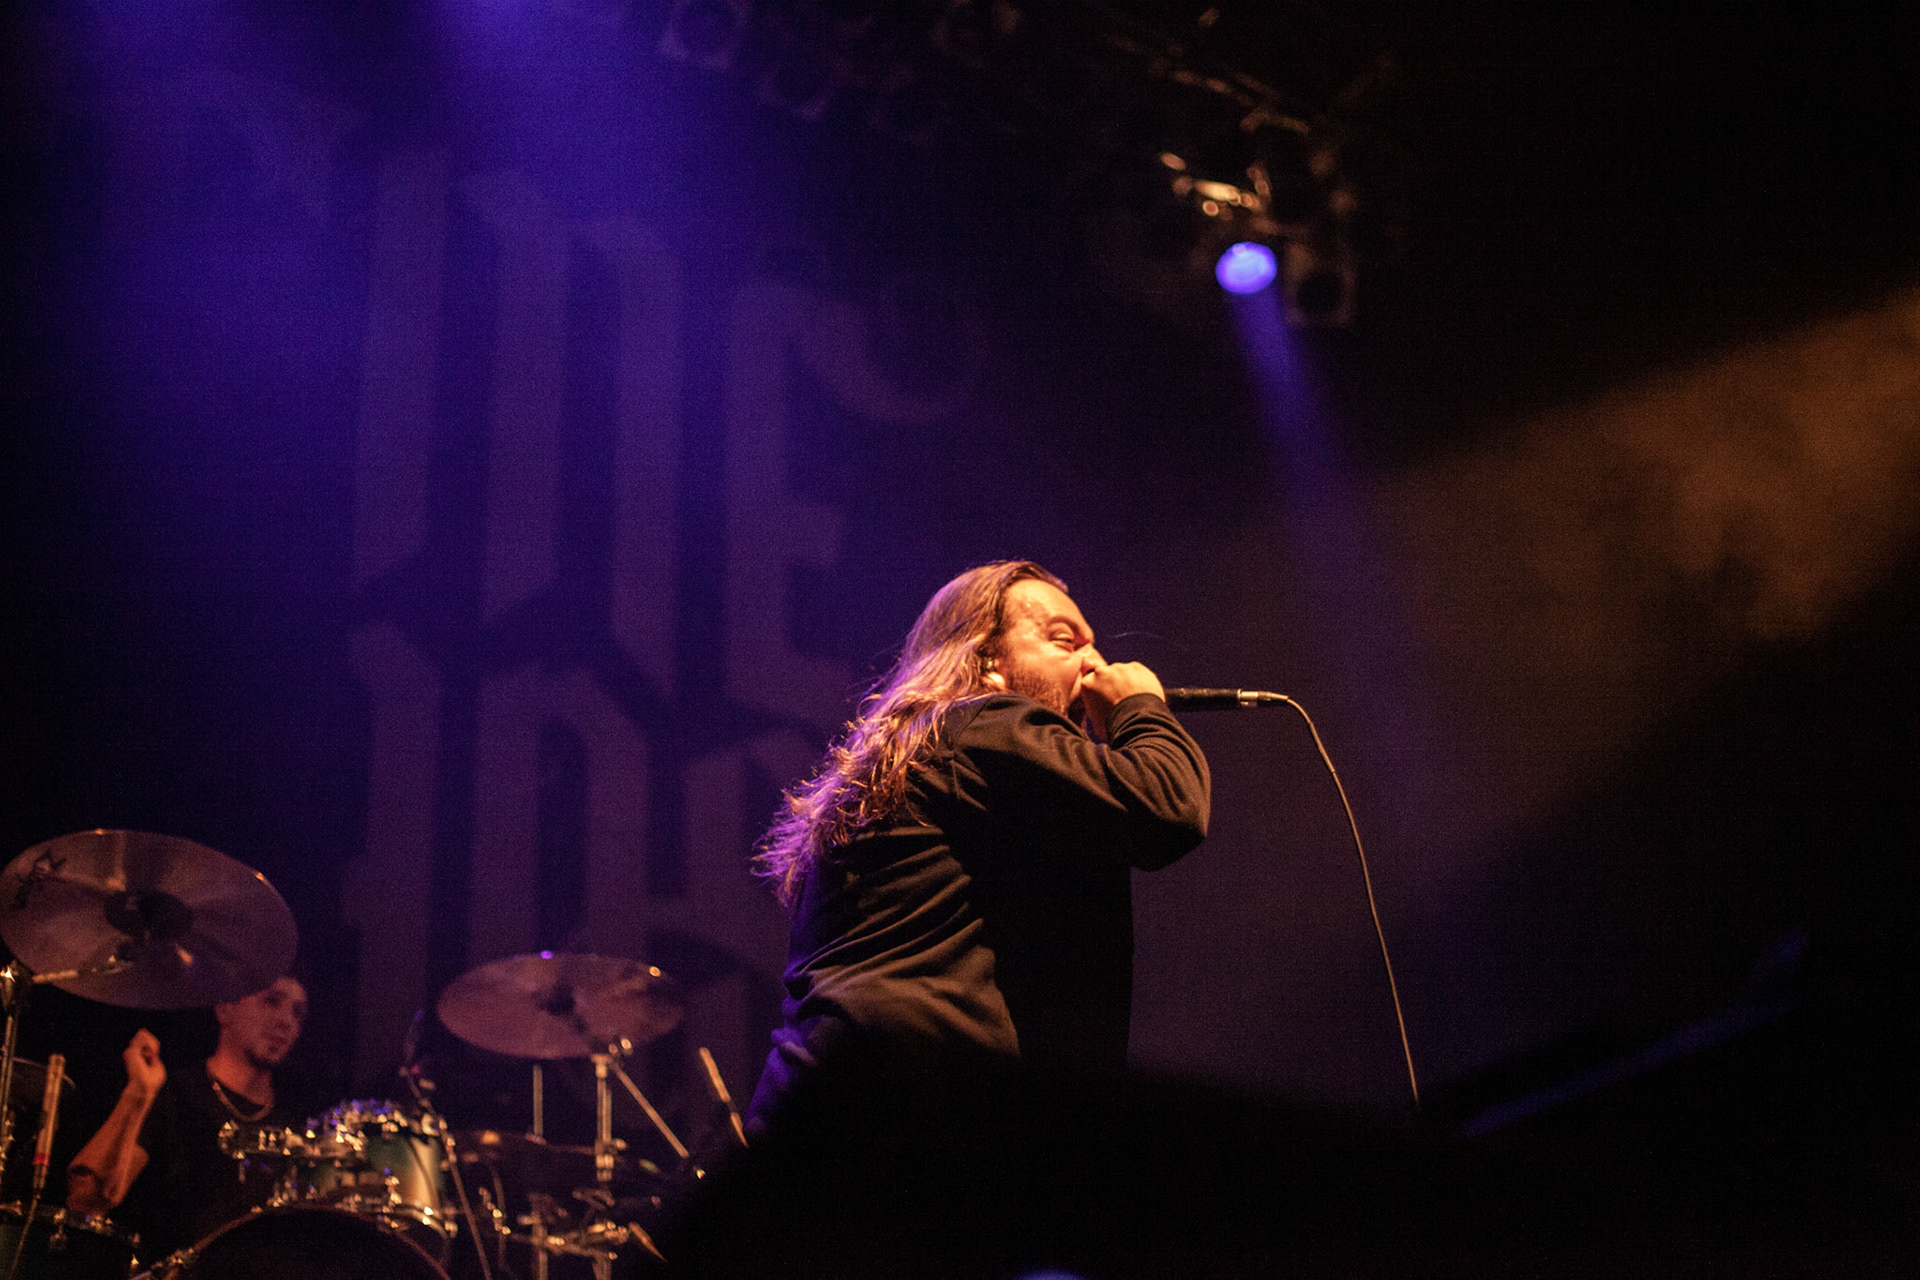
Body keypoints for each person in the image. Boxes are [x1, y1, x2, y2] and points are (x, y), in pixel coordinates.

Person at [693, 560, 1210, 1275]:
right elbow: (1164, 806)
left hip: (843, 1133)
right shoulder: (981, 723)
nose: (1096, 666)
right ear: (986, 661)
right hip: (898, 1136)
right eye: (1064, 640)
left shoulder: (929, 760)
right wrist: (1141, 709)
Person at [67, 974, 309, 1259]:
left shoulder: (297, 1130)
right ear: (225, 1008)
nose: (287, 1021)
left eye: (297, 1012)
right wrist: (138, 1094)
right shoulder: (174, 1094)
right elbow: (84, 1199)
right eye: (272, 1001)